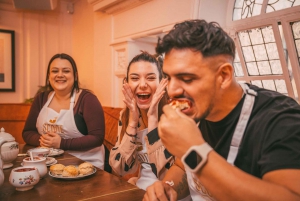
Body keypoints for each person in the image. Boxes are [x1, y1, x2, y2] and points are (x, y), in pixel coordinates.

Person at [143, 19, 300, 201]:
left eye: (186, 78)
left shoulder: (280, 120)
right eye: (168, 77)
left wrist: (194, 149)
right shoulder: (194, 110)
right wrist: (167, 187)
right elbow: (181, 167)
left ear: (224, 76)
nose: (172, 90)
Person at [22, 53, 106, 170]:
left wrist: (61, 143)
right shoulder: (41, 99)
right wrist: (43, 141)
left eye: (66, 71)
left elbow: (97, 138)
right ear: (49, 76)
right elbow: (27, 132)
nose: (60, 75)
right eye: (55, 71)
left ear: (75, 76)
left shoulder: (87, 99)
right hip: (50, 164)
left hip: (85, 165)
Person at [109, 51, 174, 191]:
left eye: (150, 78)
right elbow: (119, 168)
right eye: (135, 78)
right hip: (139, 191)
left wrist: (152, 120)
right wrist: (132, 122)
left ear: (162, 82)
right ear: (126, 83)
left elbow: (166, 175)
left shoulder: (174, 115)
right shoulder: (125, 116)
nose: (143, 84)